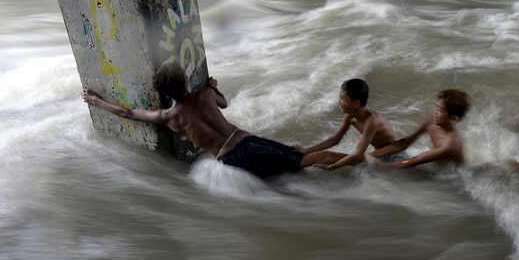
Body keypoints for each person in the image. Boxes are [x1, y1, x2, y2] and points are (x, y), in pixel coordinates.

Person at [82, 62, 338, 179]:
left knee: (280, 178)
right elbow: (225, 103)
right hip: (245, 143)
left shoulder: (168, 117)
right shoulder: (205, 93)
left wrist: (96, 101)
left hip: (228, 160)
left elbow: (128, 113)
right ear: (184, 81)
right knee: (298, 159)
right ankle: (345, 160)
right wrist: (215, 87)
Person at [297, 79, 399, 171]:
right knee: (325, 156)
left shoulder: (372, 121)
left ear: (356, 103)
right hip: (378, 156)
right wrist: (306, 150)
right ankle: (296, 162)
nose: (339, 102)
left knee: (326, 156)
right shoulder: (350, 117)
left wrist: (332, 167)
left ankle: (294, 163)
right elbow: (335, 139)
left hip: (393, 158)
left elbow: (358, 155)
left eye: (342, 98)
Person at [364, 89, 470, 169]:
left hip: (451, 177)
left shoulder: (450, 144)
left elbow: (414, 161)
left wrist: (381, 166)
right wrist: (373, 154)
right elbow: (405, 143)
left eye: (440, 110)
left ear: (453, 119)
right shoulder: (432, 120)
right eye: (436, 107)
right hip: (436, 166)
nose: (434, 111)